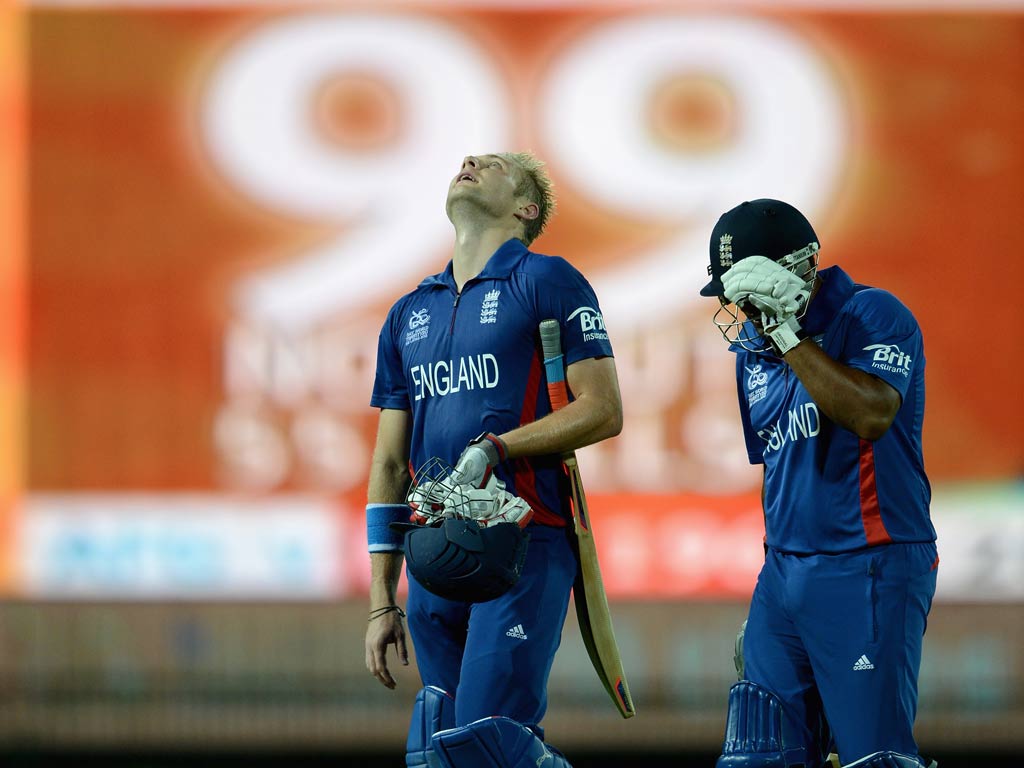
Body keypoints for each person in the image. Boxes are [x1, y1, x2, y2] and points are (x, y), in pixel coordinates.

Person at [364, 151, 623, 768]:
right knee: (437, 754)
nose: (470, 161)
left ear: (524, 209)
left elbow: (604, 409)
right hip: (431, 559)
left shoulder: (547, 279)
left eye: (495, 165)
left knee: (487, 746)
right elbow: (390, 468)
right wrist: (381, 599)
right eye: (466, 160)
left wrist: (497, 447)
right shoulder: (408, 312)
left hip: (525, 545)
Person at [701, 199, 939, 768]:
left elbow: (872, 414)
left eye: (751, 294)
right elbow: (780, 476)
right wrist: (775, 592)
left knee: (872, 759)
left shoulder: (873, 314)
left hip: (869, 565)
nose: (742, 311)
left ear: (801, 266)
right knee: (757, 756)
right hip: (784, 576)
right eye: (735, 298)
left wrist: (788, 335)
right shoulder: (752, 355)